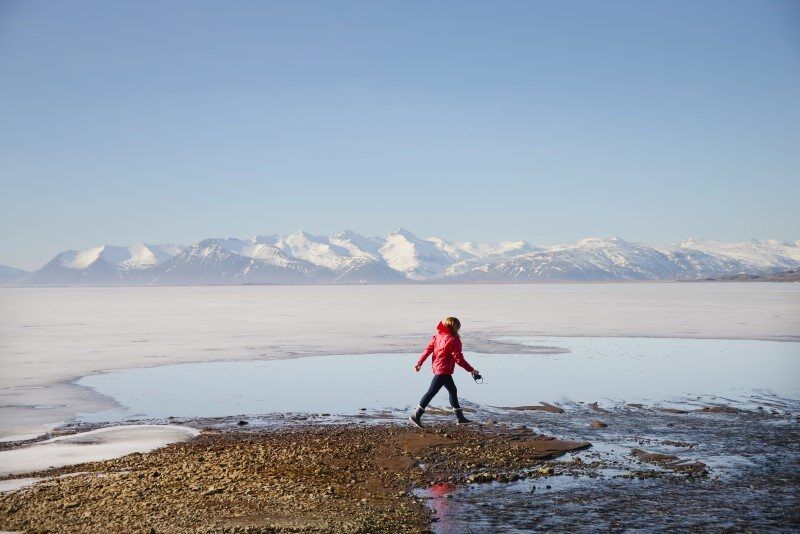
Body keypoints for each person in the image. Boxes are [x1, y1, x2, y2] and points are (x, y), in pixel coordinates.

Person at [409, 317, 480, 427]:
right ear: (455, 327)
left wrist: (419, 363)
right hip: (444, 369)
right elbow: (459, 359)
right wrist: (471, 370)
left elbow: (428, 350)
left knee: (452, 390)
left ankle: (460, 418)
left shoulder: (438, 336)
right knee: (431, 392)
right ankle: (416, 416)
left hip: (438, 367)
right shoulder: (454, 340)